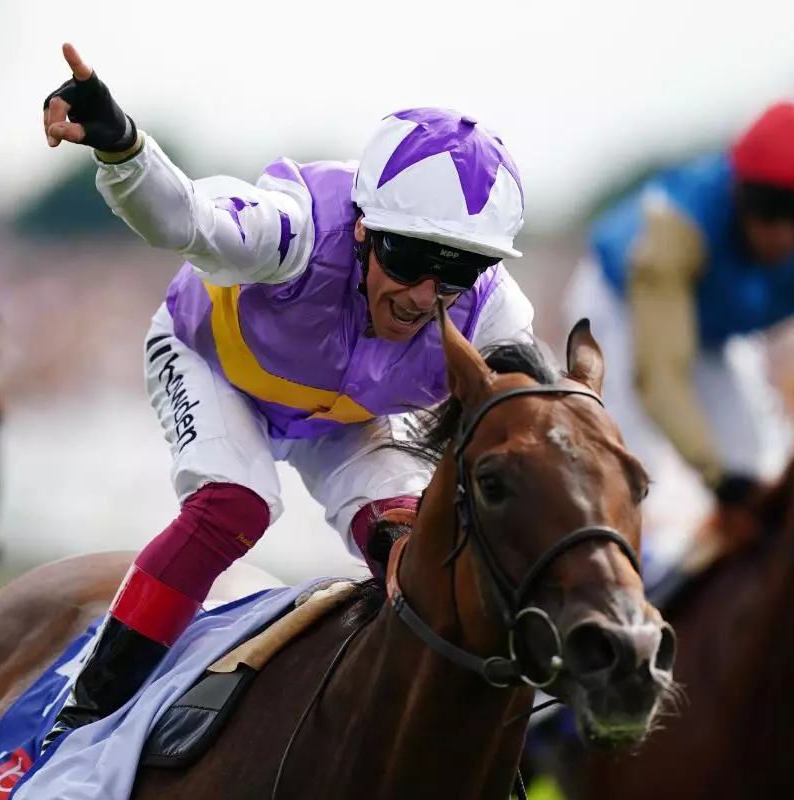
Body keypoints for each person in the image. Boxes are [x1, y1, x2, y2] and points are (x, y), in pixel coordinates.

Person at [39, 42, 537, 748]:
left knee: (409, 542)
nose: (426, 295)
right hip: (214, 365)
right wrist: (122, 148)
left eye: (457, 270)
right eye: (410, 260)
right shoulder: (295, 228)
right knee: (233, 504)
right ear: (362, 228)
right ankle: (82, 720)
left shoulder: (494, 312)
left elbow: (547, 425)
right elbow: (184, 218)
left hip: (348, 418)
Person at [563, 94, 794, 572]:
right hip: (621, 311)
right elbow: (658, 379)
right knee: (641, 475)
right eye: (768, 207)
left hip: (715, 329)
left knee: (763, 474)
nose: (782, 233)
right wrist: (717, 478)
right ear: (739, 191)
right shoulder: (679, 227)